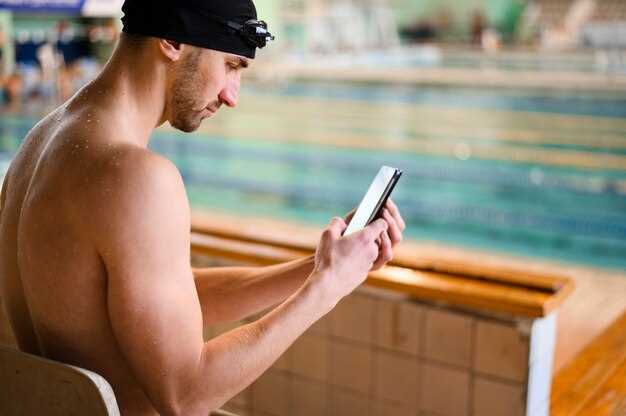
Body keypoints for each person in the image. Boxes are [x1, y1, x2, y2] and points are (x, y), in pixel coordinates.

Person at [0, 1, 405, 415]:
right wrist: (326, 290)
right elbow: (186, 397)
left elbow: (153, 301)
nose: (232, 96)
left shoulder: (36, 148)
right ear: (172, 40)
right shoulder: (136, 177)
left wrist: (318, 268)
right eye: (231, 65)